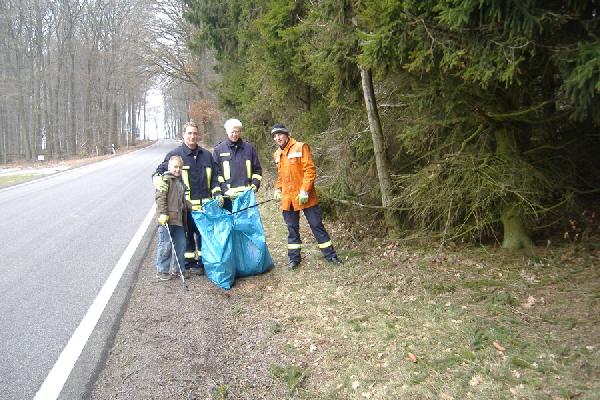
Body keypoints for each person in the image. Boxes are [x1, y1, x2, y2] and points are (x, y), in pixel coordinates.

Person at [153, 121, 223, 275]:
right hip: (186, 209)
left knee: (205, 236)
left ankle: (203, 262)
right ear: (183, 135)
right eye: (189, 133)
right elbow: (161, 170)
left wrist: (218, 192)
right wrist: (156, 177)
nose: (192, 136)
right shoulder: (175, 155)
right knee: (187, 238)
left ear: (198, 135)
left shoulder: (207, 155)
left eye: (195, 133)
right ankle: (188, 263)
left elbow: (215, 177)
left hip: (205, 207)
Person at [271, 123, 343, 269]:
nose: (278, 138)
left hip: (306, 196)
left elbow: (310, 170)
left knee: (316, 225)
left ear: (286, 134)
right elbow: (280, 176)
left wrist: (304, 190)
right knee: (292, 229)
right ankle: (294, 259)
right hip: (288, 199)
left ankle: (331, 256)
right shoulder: (277, 154)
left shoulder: (300, 147)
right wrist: (278, 189)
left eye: (280, 134)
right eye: (275, 136)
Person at [212, 118, 263, 211]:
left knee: (246, 220)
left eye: (237, 131)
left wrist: (254, 185)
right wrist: (225, 190)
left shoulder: (249, 148)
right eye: (232, 132)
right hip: (228, 197)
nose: (235, 134)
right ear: (227, 132)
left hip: (246, 197)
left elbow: (257, 170)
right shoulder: (218, 150)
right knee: (230, 220)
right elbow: (216, 174)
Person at [155, 155, 191, 280]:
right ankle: (162, 271)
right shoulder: (165, 180)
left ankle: (178, 269)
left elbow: (182, 201)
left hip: (179, 220)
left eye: (180, 167)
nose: (177, 169)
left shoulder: (180, 182)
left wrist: (191, 206)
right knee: (166, 245)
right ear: (169, 167)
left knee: (181, 245)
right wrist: (162, 213)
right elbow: (160, 198)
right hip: (167, 220)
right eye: (175, 167)